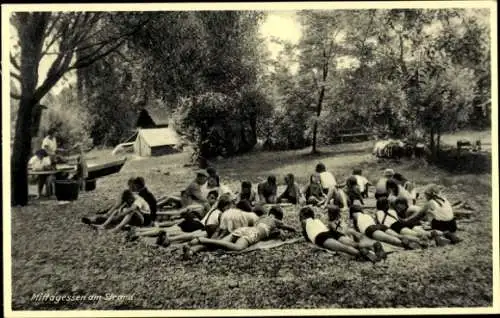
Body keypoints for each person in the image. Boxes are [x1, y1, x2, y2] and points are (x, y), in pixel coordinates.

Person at [186, 206, 297, 252]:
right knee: (238, 248)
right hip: (253, 233)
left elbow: (271, 231)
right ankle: (202, 240)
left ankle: (193, 249)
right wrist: (296, 231)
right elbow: (290, 228)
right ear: (278, 217)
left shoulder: (262, 218)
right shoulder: (275, 221)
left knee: (219, 244)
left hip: (244, 229)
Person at [299, 206, 383, 263]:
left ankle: (362, 255)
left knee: (343, 248)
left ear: (302, 216)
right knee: (353, 244)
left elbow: (307, 237)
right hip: (330, 232)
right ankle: (372, 245)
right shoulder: (317, 220)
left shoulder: (304, 221)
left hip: (320, 236)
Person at [349, 205, 424, 250]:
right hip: (379, 226)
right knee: (398, 236)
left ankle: (406, 244)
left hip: (370, 229)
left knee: (391, 240)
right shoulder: (366, 215)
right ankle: (419, 240)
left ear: (352, 212)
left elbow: (357, 232)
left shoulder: (354, 216)